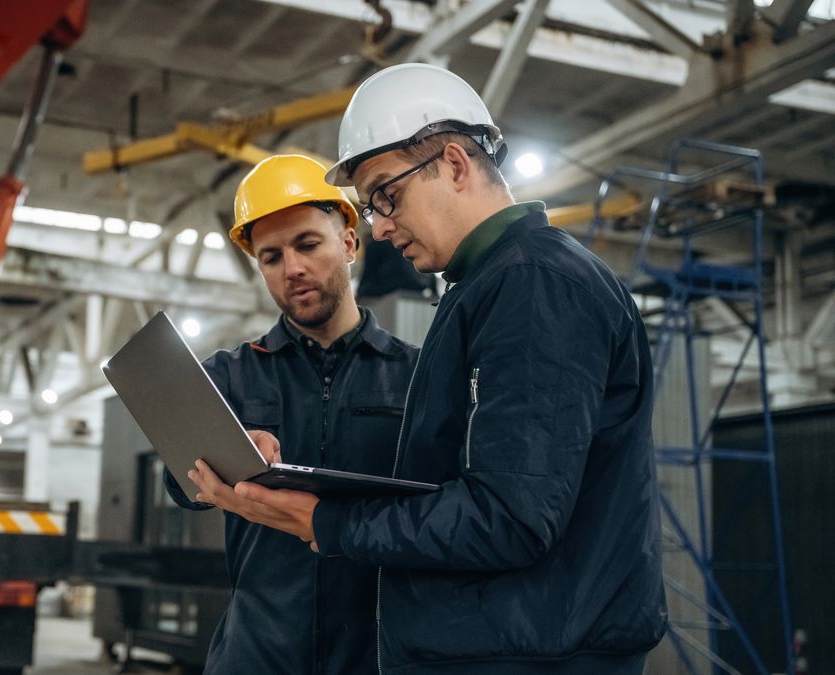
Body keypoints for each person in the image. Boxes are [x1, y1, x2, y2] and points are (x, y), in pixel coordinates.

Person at [188, 64, 668, 674]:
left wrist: (328, 522)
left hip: (532, 653)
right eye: (372, 206)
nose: (383, 225)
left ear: (456, 164)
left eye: (386, 194)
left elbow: (511, 516)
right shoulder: (489, 288)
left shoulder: (531, 285)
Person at [163, 154, 418, 674]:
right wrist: (225, 456)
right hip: (257, 654)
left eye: (307, 244)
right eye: (271, 257)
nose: (292, 269)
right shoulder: (228, 376)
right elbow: (180, 482)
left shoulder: (416, 374)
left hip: (376, 656)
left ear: (348, 243)